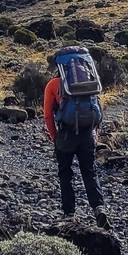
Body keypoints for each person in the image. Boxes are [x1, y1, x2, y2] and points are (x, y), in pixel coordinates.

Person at [44, 68, 108, 228]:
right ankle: (98, 208)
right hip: (87, 134)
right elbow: (96, 108)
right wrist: (95, 134)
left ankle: (69, 214)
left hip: (66, 135)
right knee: (90, 172)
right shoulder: (88, 82)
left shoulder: (53, 84)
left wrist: (54, 136)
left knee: (65, 173)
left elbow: (47, 114)